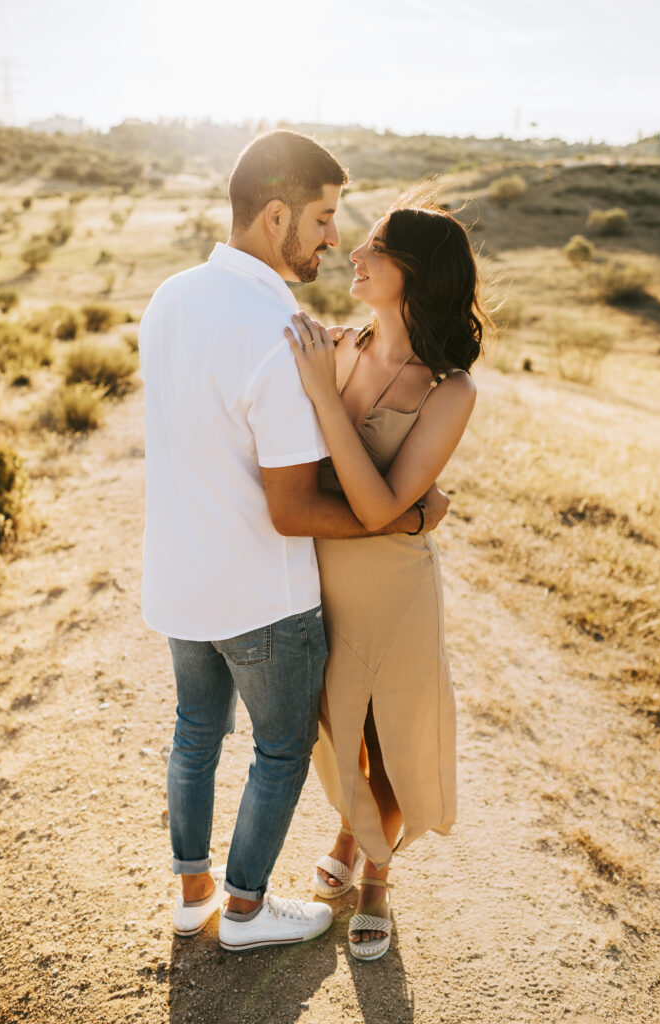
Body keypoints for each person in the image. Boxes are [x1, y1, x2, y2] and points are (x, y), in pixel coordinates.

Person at [139, 131, 450, 953]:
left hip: (178, 581)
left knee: (195, 734)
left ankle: (193, 895)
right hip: (259, 595)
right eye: (321, 218)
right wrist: (400, 519)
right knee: (281, 752)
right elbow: (291, 508)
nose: (333, 239)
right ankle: (244, 911)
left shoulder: (170, 296)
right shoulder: (279, 327)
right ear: (275, 216)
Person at [285, 197, 485, 961]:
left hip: (396, 591)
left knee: (391, 735)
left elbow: (376, 505)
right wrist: (416, 508)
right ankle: (351, 829)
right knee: (340, 730)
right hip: (322, 579)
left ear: (416, 272)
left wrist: (323, 396)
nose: (354, 254)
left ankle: (376, 876)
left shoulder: (450, 390)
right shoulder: (336, 347)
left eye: (375, 246)